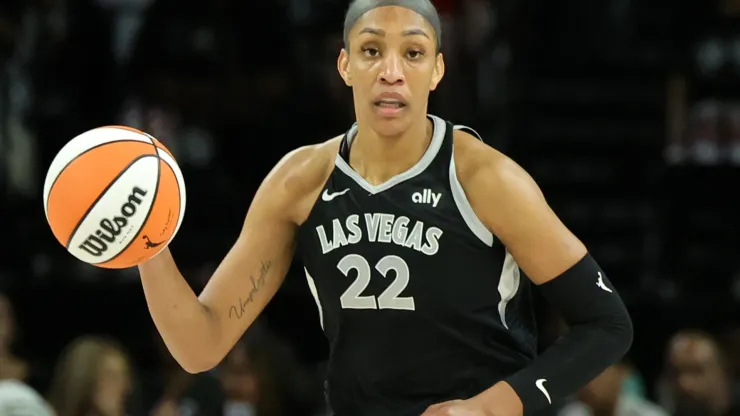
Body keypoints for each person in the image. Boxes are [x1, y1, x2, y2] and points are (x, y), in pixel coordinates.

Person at [137, 0, 633, 415]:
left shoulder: (486, 178)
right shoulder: (299, 181)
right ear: (345, 64)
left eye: (413, 53)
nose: (391, 72)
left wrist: (491, 406)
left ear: (437, 68)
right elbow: (200, 345)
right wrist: (144, 244)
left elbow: (607, 325)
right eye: (371, 50)